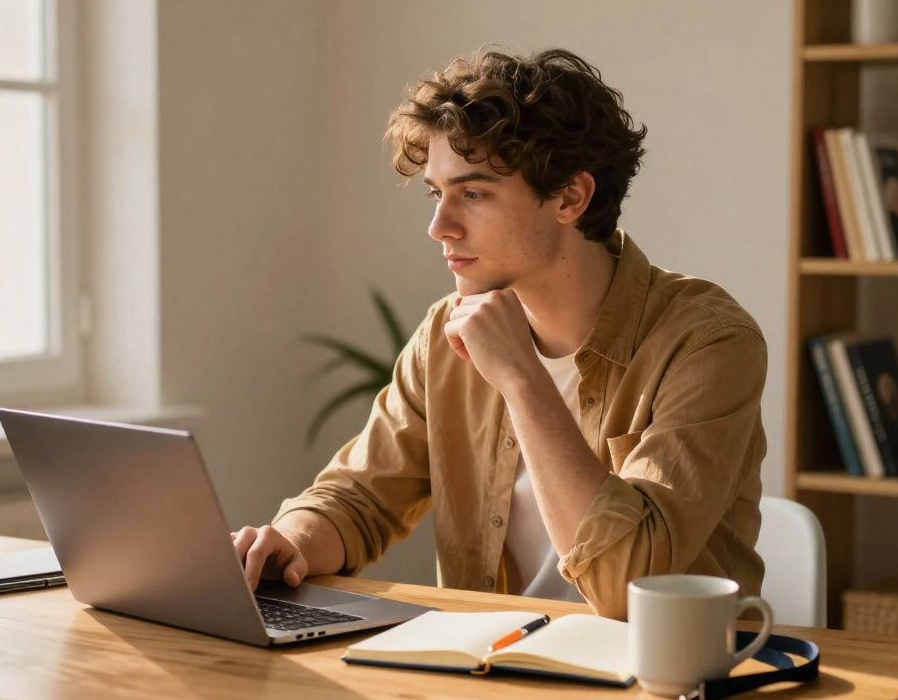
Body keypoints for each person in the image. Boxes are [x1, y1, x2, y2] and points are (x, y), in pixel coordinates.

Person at [231, 47, 767, 619]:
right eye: (437, 194)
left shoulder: (707, 341)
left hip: (665, 682)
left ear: (570, 197)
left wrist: (519, 375)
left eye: (474, 193)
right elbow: (360, 497)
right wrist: (290, 539)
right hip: (490, 676)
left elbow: (625, 582)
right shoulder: (445, 334)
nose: (439, 226)